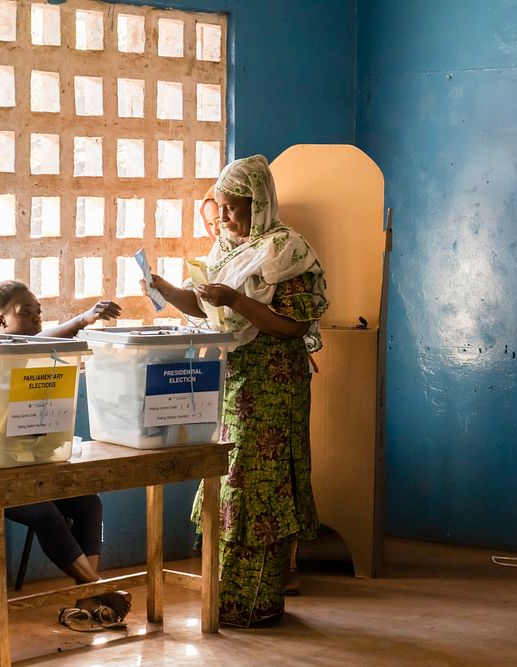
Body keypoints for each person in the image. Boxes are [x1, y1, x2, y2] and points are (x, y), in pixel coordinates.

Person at [143, 155, 328, 627]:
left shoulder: (287, 251)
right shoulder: (228, 250)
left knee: (258, 487)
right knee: (229, 484)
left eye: (233, 208)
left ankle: (256, 602)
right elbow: (206, 307)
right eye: (220, 208)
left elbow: (294, 325)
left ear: (260, 201)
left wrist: (238, 299)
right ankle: (226, 599)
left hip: (274, 385)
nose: (225, 219)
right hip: (235, 382)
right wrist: (164, 287)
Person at [0, 280, 130, 626]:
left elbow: (39, 343)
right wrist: (81, 320)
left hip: (31, 467)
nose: (35, 318)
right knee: (46, 513)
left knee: (89, 502)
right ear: (2, 322)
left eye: (38, 311)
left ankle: (85, 597)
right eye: (25, 312)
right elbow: (32, 343)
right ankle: (97, 589)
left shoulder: (39, 356)